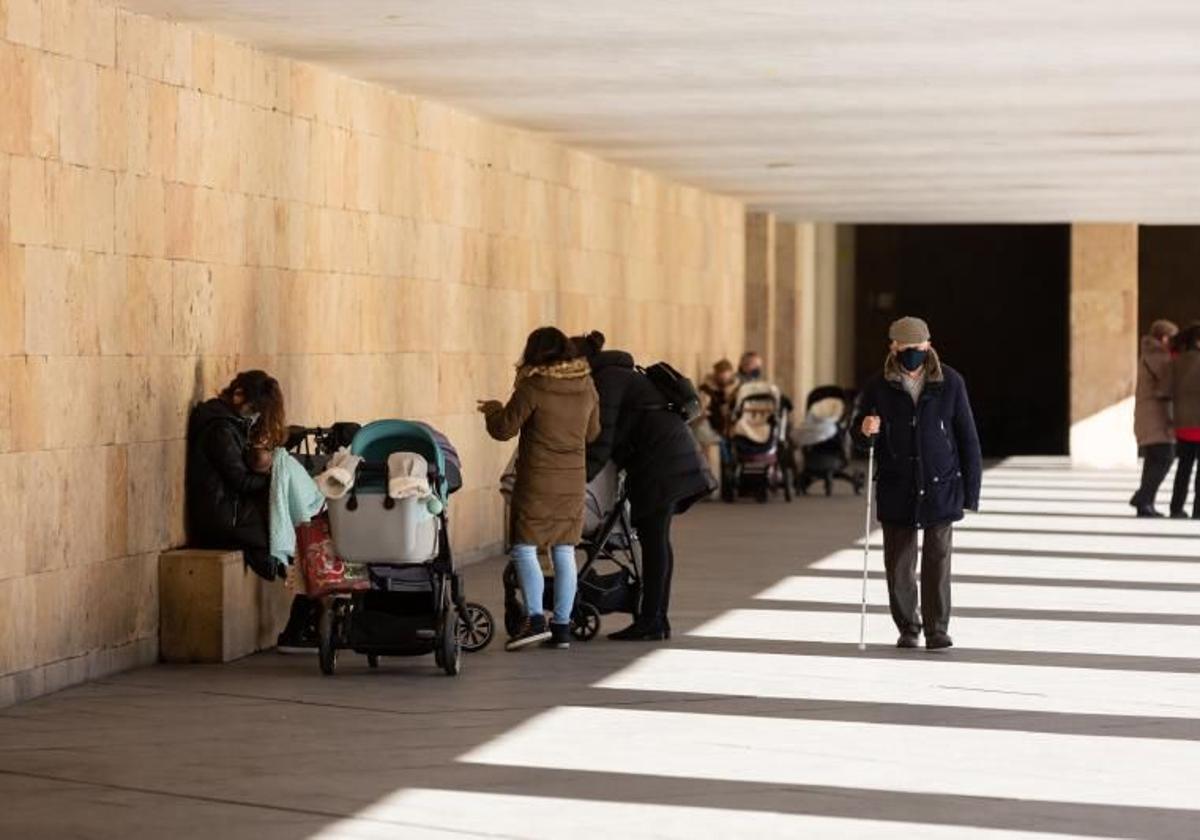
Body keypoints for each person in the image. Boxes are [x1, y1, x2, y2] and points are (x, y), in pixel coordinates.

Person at [571, 331, 717, 641]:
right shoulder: (619, 373)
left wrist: (574, 481)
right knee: (657, 542)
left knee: (654, 542)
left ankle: (652, 619)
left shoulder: (608, 379)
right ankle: (655, 618)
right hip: (667, 460)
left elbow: (603, 439)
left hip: (662, 465)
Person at [853, 316, 982, 650]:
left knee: (938, 560)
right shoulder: (877, 386)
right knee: (899, 564)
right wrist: (865, 432)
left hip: (941, 483)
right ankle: (909, 626)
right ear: (893, 347)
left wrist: (971, 492)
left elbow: (968, 438)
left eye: (919, 347)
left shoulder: (950, 382)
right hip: (898, 484)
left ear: (929, 345)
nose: (914, 353)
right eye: (907, 348)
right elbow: (859, 441)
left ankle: (937, 628)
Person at [479, 327, 600, 651]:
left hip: (537, 481)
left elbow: (504, 429)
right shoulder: (587, 385)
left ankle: (534, 619)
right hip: (573, 481)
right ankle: (562, 625)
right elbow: (593, 433)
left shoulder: (533, 386)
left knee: (525, 547)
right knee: (564, 550)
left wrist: (492, 408)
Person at [186, 370, 287, 581]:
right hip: (221, 516)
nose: (255, 415)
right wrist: (272, 479)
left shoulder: (229, 424)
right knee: (277, 531)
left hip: (225, 508)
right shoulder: (221, 429)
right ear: (238, 395)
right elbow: (240, 480)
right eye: (255, 409)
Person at [1131, 319, 1179, 517]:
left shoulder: (1151, 354)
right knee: (1165, 457)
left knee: (1153, 460)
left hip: (1149, 417)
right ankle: (1142, 497)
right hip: (1156, 418)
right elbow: (1168, 383)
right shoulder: (1158, 356)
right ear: (1165, 338)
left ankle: (1145, 504)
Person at [1169, 323, 1200, 519]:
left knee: (1183, 468)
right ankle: (1199, 510)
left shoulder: (1176, 361)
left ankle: (1176, 507)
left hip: (1182, 424)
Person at [696, 359, 739, 494]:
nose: (724, 381)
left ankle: (733, 476)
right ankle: (728, 475)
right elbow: (703, 411)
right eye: (721, 377)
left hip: (731, 427)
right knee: (722, 445)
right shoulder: (706, 390)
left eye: (726, 377)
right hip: (713, 428)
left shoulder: (737, 389)